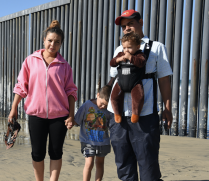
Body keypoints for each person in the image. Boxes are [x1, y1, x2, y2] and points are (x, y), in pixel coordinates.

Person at [107, 9, 173, 181]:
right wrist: (103, 95)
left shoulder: (157, 47)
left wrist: (167, 108)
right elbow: (114, 78)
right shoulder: (119, 49)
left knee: (148, 163)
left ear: (141, 22)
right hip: (118, 116)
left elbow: (164, 80)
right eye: (123, 26)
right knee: (123, 163)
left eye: (130, 24)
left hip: (144, 114)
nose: (126, 28)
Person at [8, 20, 77, 181]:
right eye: (50, 40)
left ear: (61, 44)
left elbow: (71, 92)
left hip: (59, 117)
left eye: (57, 42)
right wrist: (14, 108)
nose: (53, 44)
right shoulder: (30, 61)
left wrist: (71, 115)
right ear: (43, 40)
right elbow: (21, 86)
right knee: (37, 153)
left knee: (56, 152)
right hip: (36, 115)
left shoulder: (64, 65)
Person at [74, 85, 112, 181]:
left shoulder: (109, 110)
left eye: (106, 105)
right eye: (102, 103)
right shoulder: (87, 105)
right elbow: (77, 120)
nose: (103, 106)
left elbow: (112, 125)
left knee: (100, 163)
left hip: (103, 142)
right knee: (89, 163)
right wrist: (69, 121)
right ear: (98, 95)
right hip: (88, 141)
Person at [110, 33, 146, 124]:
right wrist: (118, 59)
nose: (126, 50)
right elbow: (112, 63)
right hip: (121, 82)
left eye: (129, 47)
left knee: (138, 97)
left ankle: (135, 114)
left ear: (137, 46)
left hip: (135, 83)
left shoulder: (140, 54)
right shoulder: (120, 54)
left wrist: (130, 58)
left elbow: (141, 63)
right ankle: (117, 114)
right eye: (124, 47)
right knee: (114, 97)